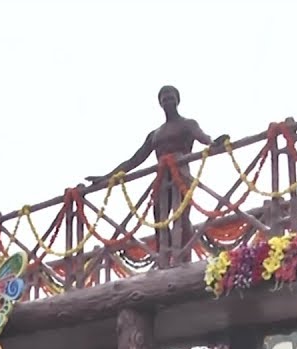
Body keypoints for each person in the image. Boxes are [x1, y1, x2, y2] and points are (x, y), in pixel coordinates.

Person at [86, 86, 227, 267]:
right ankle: (163, 259)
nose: (167, 100)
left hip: (181, 174)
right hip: (161, 178)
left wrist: (214, 143)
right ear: (160, 103)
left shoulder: (188, 124)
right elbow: (134, 160)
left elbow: (203, 138)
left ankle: (182, 258)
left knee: (181, 216)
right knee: (159, 218)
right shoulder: (155, 134)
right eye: (164, 97)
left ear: (178, 99)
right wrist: (106, 178)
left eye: (171, 96)